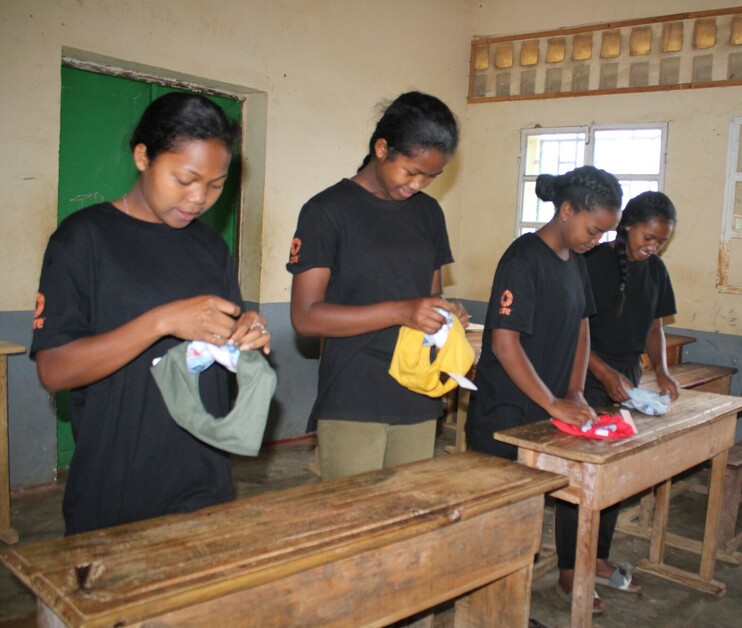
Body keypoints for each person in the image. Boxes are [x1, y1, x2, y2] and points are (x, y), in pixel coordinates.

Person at [31, 92, 272, 535]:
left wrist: (246, 331)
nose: (199, 198)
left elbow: (222, 333)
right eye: (185, 178)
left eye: (216, 185)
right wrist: (162, 321)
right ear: (143, 156)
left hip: (203, 478)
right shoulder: (83, 240)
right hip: (117, 486)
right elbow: (53, 369)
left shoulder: (209, 247)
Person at [465, 166, 622, 614]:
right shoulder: (523, 259)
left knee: (526, 523)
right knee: (497, 524)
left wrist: (574, 391)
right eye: (593, 229)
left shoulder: (578, 263)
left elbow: (581, 328)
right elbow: (504, 342)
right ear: (567, 210)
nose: (596, 240)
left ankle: (508, 609)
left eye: (604, 233)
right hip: (506, 413)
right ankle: (486, 612)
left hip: (545, 415)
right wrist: (552, 400)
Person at [287, 91, 467, 481]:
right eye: (411, 171)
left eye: (432, 176)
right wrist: (401, 311)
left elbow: (430, 296)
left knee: (408, 515)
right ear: (382, 148)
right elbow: (305, 317)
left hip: (417, 390)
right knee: (354, 521)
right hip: (355, 395)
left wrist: (444, 312)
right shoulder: (326, 212)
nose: (419, 184)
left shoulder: (428, 214)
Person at [577, 190, 680, 599]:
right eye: (647, 238)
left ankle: (598, 559)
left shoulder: (656, 271)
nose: (652, 247)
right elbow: (575, 331)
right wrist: (603, 373)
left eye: (660, 241)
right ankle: (571, 569)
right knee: (582, 475)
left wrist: (664, 371)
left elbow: (654, 328)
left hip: (628, 378)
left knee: (613, 474)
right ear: (628, 226)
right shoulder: (594, 263)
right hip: (585, 373)